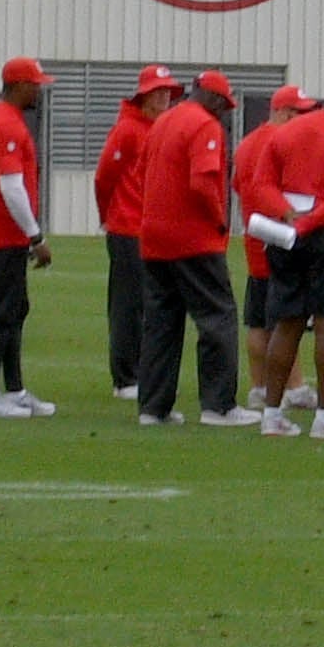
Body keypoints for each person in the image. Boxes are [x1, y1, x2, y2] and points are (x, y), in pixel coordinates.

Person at [241, 70, 324, 438]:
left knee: (287, 322)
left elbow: (261, 184)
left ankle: (272, 415)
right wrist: (312, 221)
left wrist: (288, 215)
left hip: (287, 232)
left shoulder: (286, 132)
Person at [133, 74, 255, 428]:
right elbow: (202, 182)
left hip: (155, 238)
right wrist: (219, 220)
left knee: (161, 323)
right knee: (217, 317)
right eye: (225, 104)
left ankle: (153, 408)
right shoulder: (205, 126)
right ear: (214, 99)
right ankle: (218, 406)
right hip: (193, 239)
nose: (225, 112)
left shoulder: (163, 121)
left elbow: (141, 173)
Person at [0, 59, 57, 418]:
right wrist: (35, 235)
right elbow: (11, 186)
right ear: (18, 85)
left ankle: (14, 390)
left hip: (0, 232)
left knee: (14, 309)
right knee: (3, 312)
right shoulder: (5, 124)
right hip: (3, 232)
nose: (39, 90)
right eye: (35, 84)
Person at [96, 67, 169, 399]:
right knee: (128, 305)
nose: (163, 98)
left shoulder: (158, 129)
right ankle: (125, 377)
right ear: (144, 96)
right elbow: (104, 176)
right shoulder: (127, 130)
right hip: (127, 227)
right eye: (157, 93)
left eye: (166, 92)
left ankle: (141, 371)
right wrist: (108, 216)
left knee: (148, 303)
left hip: (151, 228)